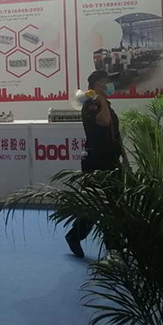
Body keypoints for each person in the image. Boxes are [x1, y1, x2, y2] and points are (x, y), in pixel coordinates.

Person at [65, 70, 125, 258]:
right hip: (96, 161)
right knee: (96, 204)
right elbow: (104, 121)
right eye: (107, 82)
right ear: (99, 85)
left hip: (112, 160)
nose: (111, 86)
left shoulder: (105, 104)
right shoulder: (90, 104)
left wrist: (124, 159)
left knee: (115, 204)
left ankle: (113, 245)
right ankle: (75, 236)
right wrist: (100, 99)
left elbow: (115, 133)